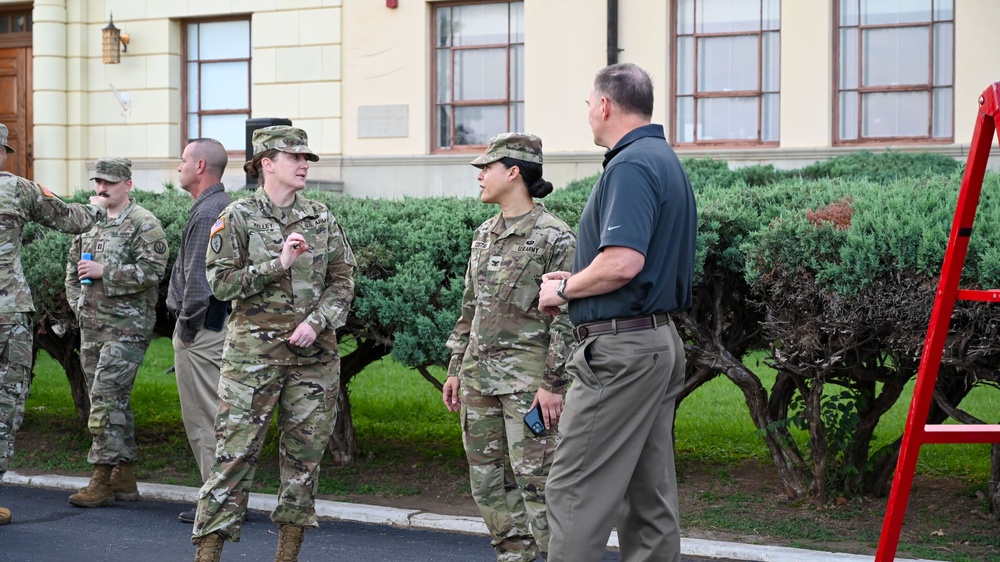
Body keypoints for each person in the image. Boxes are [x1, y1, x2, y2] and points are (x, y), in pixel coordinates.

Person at [537, 63, 697, 562]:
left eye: (588, 104)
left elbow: (623, 262)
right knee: (648, 495)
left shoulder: (629, 165)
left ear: (605, 105)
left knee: (573, 491)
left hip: (621, 351)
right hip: (655, 344)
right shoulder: (661, 158)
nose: (587, 113)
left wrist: (565, 288)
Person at [191, 126, 356, 562]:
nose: (304, 165)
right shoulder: (239, 216)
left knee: (304, 463)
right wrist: (276, 263)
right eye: (294, 157)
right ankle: (208, 553)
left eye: (307, 159)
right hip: (253, 360)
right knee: (234, 457)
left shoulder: (321, 218)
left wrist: (318, 322)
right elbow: (221, 284)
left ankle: (288, 554)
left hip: (314, 361)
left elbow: (343, 280)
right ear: (267, 163)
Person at [442, 133, 575, 562]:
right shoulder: (485, 233)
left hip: (528, 385)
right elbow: (470, 307)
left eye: (487, 168)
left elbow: (568, 318)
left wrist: (553, 384)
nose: (480, 176)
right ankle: (514, 555)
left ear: (513, 172)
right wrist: (455, 367)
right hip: (479, 380)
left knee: (538, 484)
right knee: (487, 483)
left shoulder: (556, 238)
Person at [0, 124, 108, 525]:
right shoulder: (19, 189)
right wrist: (98, 203)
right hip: (8, 313)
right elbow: (70, 219)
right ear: (2, 153)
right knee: (5, 404)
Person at [65, 156, 169, 509]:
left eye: (109, 182)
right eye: (97, 182)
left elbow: (153, 271)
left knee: (106, 397)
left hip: (127, 328)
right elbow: (72, 269)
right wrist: (78, 303)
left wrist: (104, 270)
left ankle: (101, 477)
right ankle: (124, 475)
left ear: (127, 184)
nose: (101, 188)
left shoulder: (144, 223)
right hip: (92, 326)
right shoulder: (90, 222)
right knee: (109, 400)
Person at [167, 138, 234, 524]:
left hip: (201, 332)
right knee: (216, 416)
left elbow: (198, 283)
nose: (178, 167)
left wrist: (188, 331)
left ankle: (217, 504)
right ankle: (224, 496)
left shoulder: (210, 210)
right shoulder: (216, 206)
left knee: (203, 419)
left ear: (200, 167)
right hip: (213, 328)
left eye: (183, 161)